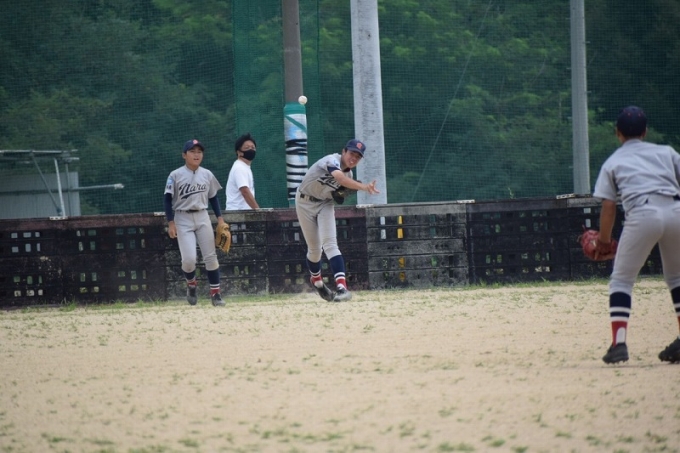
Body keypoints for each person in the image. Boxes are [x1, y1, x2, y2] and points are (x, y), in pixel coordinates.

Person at [593, 106, 680, 364]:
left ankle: (619, 344)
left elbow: (609, 207)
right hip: (676, 211)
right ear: (645, 132)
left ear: (618, 133)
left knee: (621, 280)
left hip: (643, 213)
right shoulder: (666, 152)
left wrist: (604, 241)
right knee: (677, 278)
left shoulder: (613, 161)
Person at [295, 139, 380, 302]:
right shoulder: (331, 160)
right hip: (304, 201)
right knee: (315, 249)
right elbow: (340, 178)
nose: (354, 158)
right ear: (343, 151)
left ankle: (342, 288)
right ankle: (317, 281)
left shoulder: (350, 176)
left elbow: (338, 195)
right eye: (352, 153)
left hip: (324, 203)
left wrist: (341, 194)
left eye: (358, 156)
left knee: (330, 244)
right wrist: (363, 187)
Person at [164, 139, 226, 307]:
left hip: (202, 215)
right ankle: (191, 284)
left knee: (211, 257)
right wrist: (171, 222)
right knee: (189, 260)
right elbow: (167, 199)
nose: (196, 154)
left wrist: (220, 219)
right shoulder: (175, 175)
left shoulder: (207, 174)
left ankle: (216, 294)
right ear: (184, 155)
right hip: (182, 217)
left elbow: (213, 197)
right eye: (192, 151)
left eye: (199, 151)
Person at [225, 132, 260, 210]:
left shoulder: (244, 167)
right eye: (247, 148)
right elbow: (245, 192)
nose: (251, 150)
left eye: (253, 147)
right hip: (237, 213)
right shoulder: (239, 168)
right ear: (239, 152)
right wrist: (259, 212)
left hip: (243, 213)